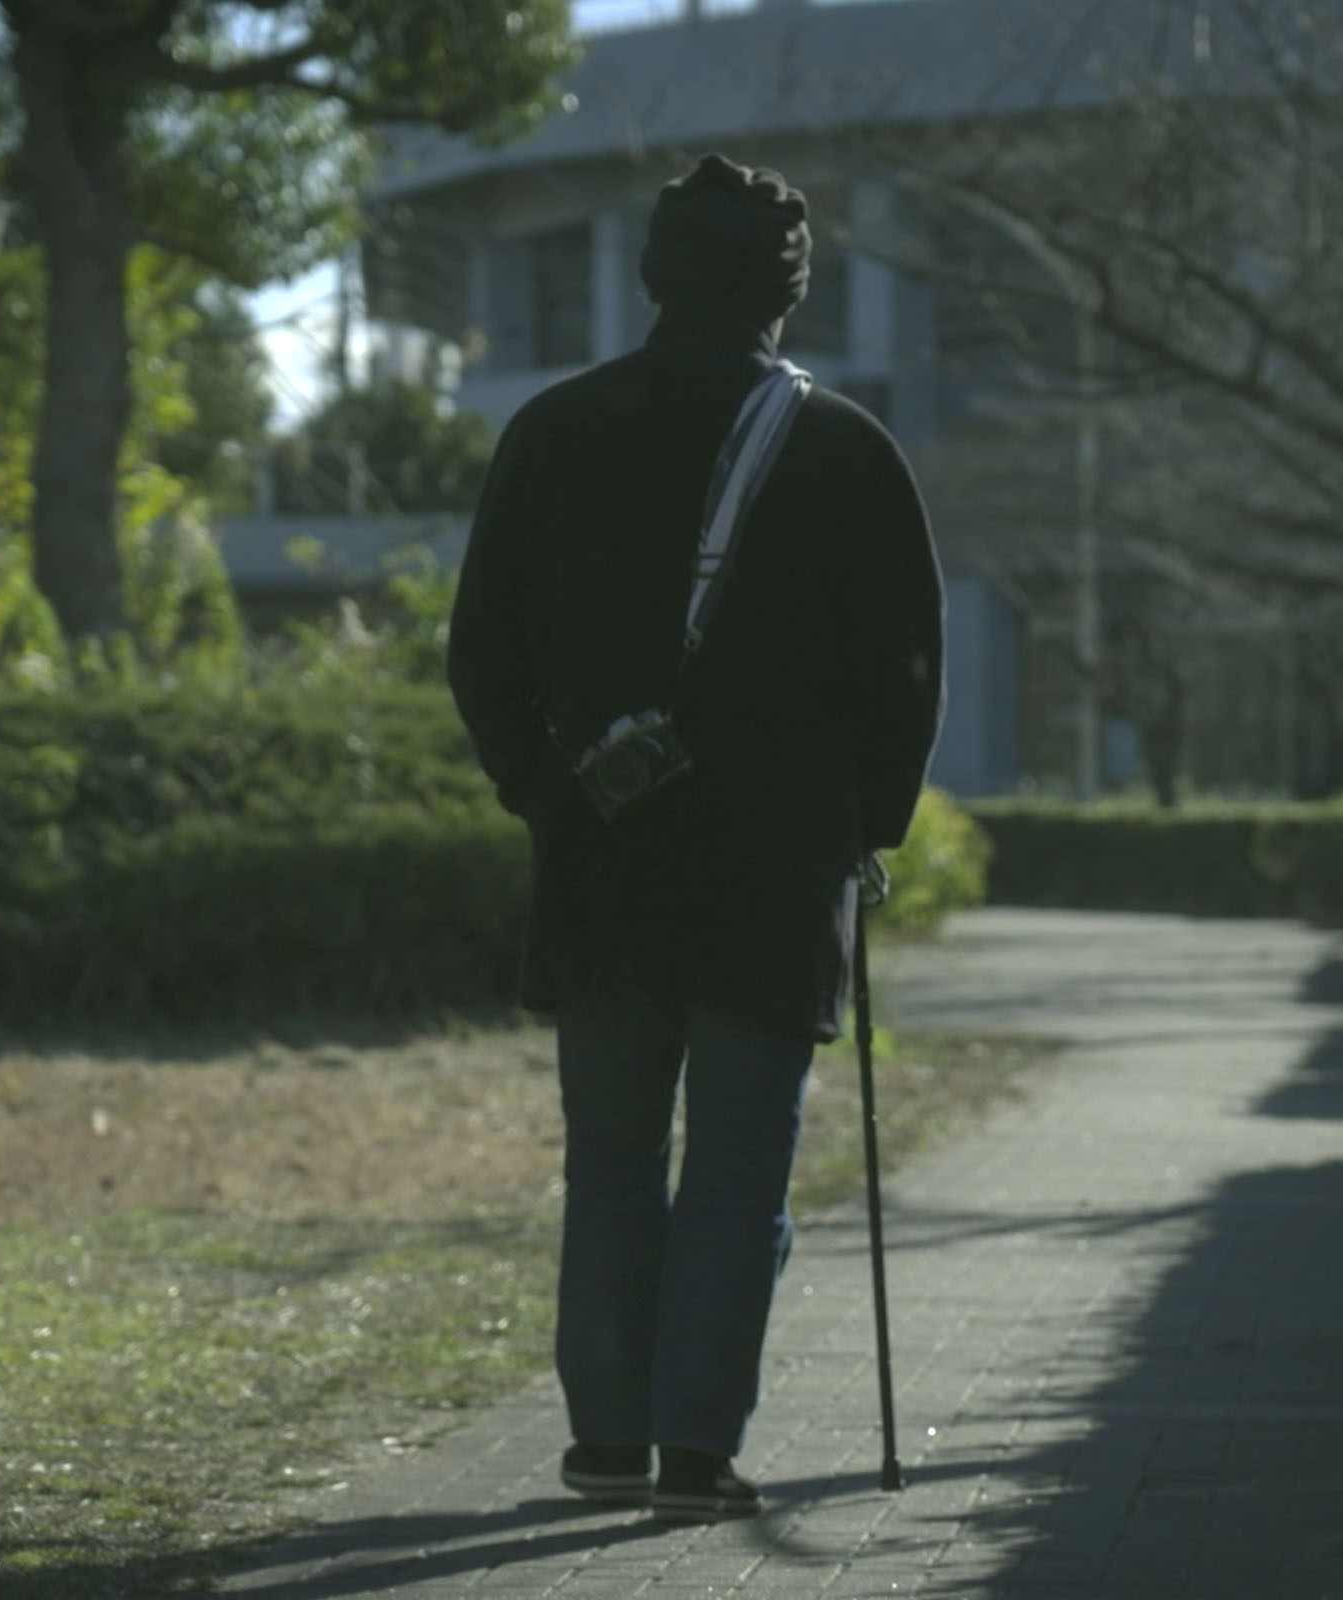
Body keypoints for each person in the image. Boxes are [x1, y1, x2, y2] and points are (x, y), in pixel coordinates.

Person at [445, 153, 945, 1523]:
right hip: (774, 873)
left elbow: (481, 651)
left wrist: (550, 790)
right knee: (738, 1167)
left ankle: (601, 1436)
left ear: (654, 273)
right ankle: (692, 1451)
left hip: (604, 857)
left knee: (607, 1159)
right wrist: (870, 827)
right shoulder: (843, 449)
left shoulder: (551, 430)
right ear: (791, 285)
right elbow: (905, 672)